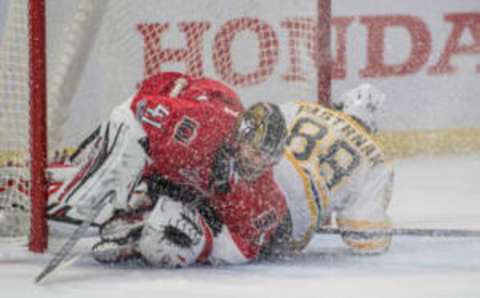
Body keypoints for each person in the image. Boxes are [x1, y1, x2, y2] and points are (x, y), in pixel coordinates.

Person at [46, 72, 290, 267]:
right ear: (240, 138)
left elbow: (244, 248)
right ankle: (48, 185)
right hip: (167, 98)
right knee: (84, 203)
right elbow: (134, 111)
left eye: (269, 157)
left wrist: (203, 241)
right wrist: (108, 177)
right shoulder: (202, 124)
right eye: (256, 151)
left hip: (180, 168)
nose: (260, 162)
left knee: (170, 245)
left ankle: (137, 216)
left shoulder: (265, 195)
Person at [260, 84, 394, 258]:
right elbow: (363, 236)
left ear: (341, 104)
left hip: (261, 178)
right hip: (292, 220)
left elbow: (257, 134)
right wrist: (382, 236)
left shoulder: (298, 107)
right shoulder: (376, 160)